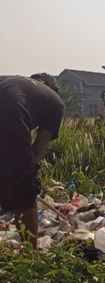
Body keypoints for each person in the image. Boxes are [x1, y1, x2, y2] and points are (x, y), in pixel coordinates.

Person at [0, 74, 65, 248]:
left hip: (9, 107)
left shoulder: (19, 84)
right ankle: (31, 256)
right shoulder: (55, 102)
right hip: (10, 109)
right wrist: (30, 173)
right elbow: (37, 149)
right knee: (25, 185)